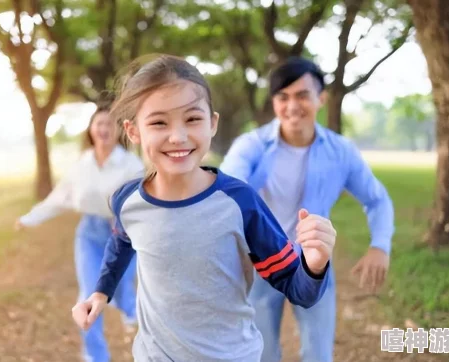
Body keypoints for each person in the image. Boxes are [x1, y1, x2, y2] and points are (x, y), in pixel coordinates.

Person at [70, 54, 338, 362]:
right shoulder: (128, 201)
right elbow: (120, 244)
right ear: (133, 131)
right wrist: (101, 293)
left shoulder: (240, 203)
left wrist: (315, 264)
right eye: (158, 122)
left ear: (212, 123)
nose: (178, 136)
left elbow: (297, 289)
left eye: (192, 119)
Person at [219, 57, 395, 362]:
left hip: (313, 264)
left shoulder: (340, 151)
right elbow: (226, 192)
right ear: (274, 102)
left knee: (318, 354)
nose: (292, 106)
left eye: (302, 95)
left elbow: (377, 199)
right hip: (261, 262)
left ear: (321, 99)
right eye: (282, 97)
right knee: (259, 353)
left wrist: (380, 246)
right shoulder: (252, 146)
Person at [15, 101, 144, 362]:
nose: (104, 128)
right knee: (88, 295)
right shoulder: (82, 164)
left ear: (119, 130)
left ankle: (136, 316)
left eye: (110, 123)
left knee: (120, 291)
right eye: (99, 123)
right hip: (89, 235)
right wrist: (29, 219)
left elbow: (142, 203)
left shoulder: (131, 165)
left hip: (122, 235)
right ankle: (96, 356)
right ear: (91, 129)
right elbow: (59, 198)